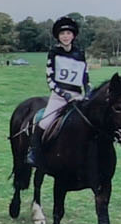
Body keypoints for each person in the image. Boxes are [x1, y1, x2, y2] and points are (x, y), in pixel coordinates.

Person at [39, 15, 93, 143]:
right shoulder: (54, 52)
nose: (65, 36)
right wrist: (63, 94)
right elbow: (50, 79)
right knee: (44, 123)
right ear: (58, 36)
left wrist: (88, 93)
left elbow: (85, 77)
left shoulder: (80, 54)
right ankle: (34, 150)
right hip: (59, 96)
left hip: (77, 97)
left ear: (73, 36)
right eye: (62, 33)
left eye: (68, 33)